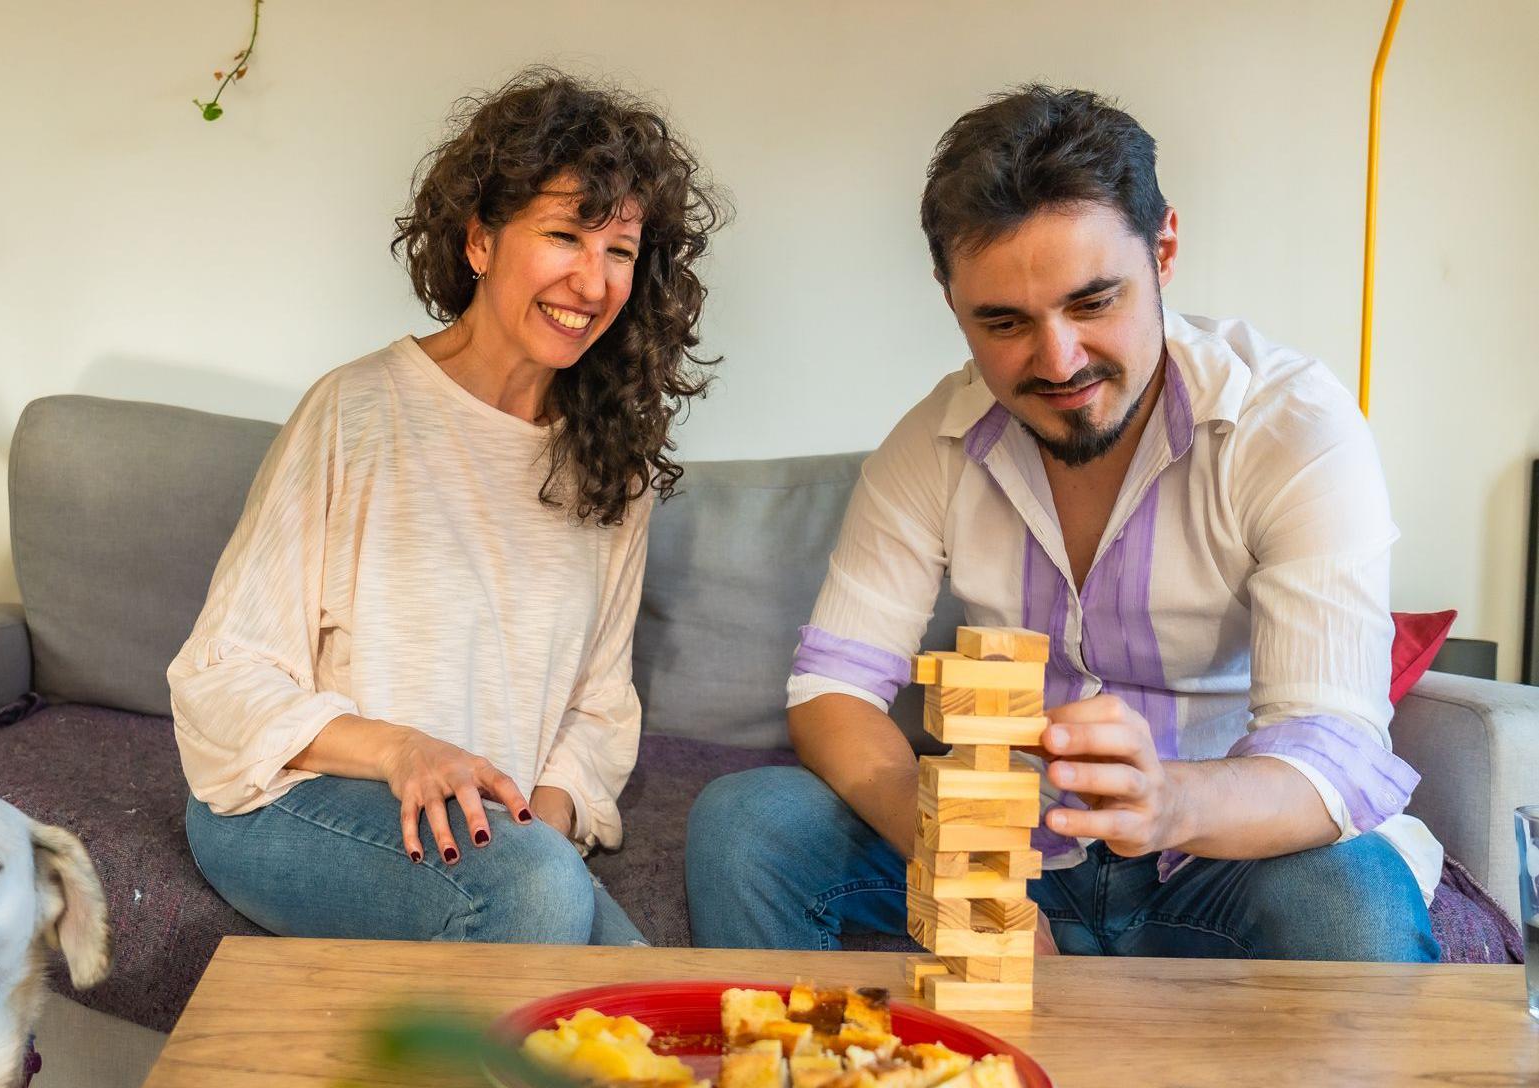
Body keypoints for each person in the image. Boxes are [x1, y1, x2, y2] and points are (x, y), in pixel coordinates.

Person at [686, 84, 1439, 962]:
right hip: (1007, 845)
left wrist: (1170, 802)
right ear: (949, 299)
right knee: (745, 823)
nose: (1057, 361)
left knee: (1352, 895)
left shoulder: (1289, 426)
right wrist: (957, 855)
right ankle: (797, 1057)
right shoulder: (932, 442)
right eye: (1004, 322)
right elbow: (832, 691)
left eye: (1092, 303)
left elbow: (1332, 749)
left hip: (1218, 851)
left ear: (1163, 250)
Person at [171, 69, 725, 945]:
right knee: (538, 892)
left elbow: (599, 704)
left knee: (646, 994)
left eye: (618, 251)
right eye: (563, 236)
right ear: (478, 241)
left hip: (490, 837)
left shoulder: (613, 464)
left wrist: (538, 821)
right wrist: (404, 750)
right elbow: (223, 672)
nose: (591, 282)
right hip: (298, 800)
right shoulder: (356, 410)